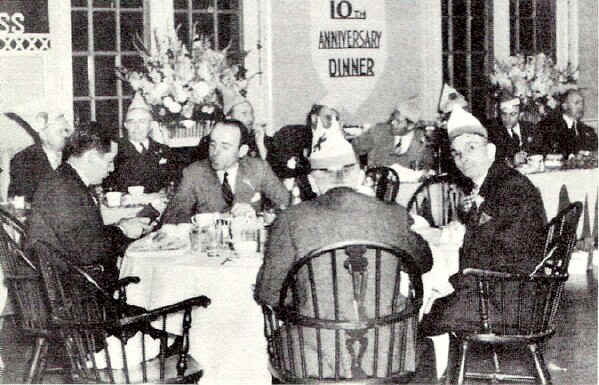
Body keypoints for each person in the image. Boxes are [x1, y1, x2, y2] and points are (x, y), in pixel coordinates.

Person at [256, 133, 433, 378]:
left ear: (312, 181)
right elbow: (424, 263)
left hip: (313, 355)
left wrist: (308, 297)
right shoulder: (392, 214)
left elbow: (267, 293)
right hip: (387, 351)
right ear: (361, 175)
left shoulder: (290, 219)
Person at [419, 106, 546, 336]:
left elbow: (510, 250)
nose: (463, 158)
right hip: (505, 290)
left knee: (424, 314)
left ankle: (434, 368)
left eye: (471, 148)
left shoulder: (511, 188)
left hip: (510, 300)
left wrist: (475, 220)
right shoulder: (497, 182)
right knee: (431, 305)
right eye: (457, 153)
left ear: (490, 150)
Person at [27, 124, 153, 287]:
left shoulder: (67, 181)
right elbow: (85, 252)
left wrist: (123, 227)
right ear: (91, 157)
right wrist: (122, 230)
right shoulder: (62, 189)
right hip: (75, 293)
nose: (112, 168)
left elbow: (84, 235)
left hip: (75, 280)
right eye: (109, 161)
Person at [161, 119, 290, 224]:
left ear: (242, 151)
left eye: (225, 147)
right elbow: (171, 218)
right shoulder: (194, 172)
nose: (215, 153)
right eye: (213, 145)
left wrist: (258, 215)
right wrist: (212, 219)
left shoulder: (258, 168)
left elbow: (288, 206)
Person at [103, 95, 178, 193]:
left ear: (150, 125)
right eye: (132, 122)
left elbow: (171, 182)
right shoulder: (114, 149)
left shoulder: (163, 149)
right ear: (125, 125)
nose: (137, 127)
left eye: (142, 121)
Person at [266, 104, 339, 201]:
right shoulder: (291, 135)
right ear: (314, 118)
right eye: (329, 118)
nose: (333, 123)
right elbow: (281, 170)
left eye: (336, 119)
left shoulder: (337, 145)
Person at [352, 96, 434, 170]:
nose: (392, 123)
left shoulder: (422, 141)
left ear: (411, 126)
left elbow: (428, 168)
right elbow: (354, 147)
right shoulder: (378, 131)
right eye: (393, 118)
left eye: (398, 121)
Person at [9, 112, 74, 202]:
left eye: (66, 130)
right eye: (60, 131)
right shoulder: (24, 160)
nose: (66, 135)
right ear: (43, 135)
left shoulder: (74, 154)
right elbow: (21, 201)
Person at [196, 95, 272, 160]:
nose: (250, 118)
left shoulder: (260, 138)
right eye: (244, 113)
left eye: (251, 113)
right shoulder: (211, 141)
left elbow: (273, 174)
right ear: (229, 117)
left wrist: (261, 145)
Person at [540, 89, 598, 157]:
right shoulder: (549, 128)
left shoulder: (588, 131)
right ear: (565, 106)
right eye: (576, 103)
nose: (581, 107)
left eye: (582, 103)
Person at [488, 96, 543, 165]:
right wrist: (512, 161)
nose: (507, 118)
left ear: (520, 114)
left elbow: (541, 149)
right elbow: (489, 162)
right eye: (504, 114)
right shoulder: (493, 132)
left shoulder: (530, 128)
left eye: (513, 114)